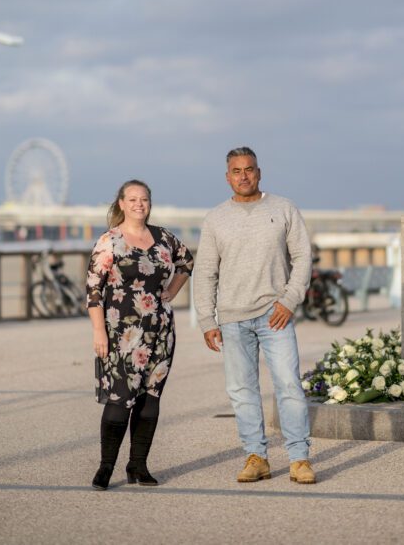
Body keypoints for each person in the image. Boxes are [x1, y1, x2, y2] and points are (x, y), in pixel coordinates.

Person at [193, 147, 316, 484]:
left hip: (275, 314)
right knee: (242, 390)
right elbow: (205, 272)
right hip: (233, 318)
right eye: (236, 171)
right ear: (227, 177)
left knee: (289, 385)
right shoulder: (216, 218)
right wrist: (207, 319)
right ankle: (256, 457)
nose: (243, 175)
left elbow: (303, 257)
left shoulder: (283, 208)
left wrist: (290, 300)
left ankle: (299, 459)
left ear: (259, 173)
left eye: (249, 169)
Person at [86, 179, 193, 490]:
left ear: (150, 203)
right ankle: (106, 466)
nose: (138, 204)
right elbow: (93, 290)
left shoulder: (164, 239)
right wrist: (98, 332)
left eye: (144, 199)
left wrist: (172, 290)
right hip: (120, 333)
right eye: (132, 199)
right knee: (120, 401)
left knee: (150, 400)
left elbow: (187, 262)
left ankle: (138, 465)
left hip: (160, 332)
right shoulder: (110, 240)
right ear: (121, 203)